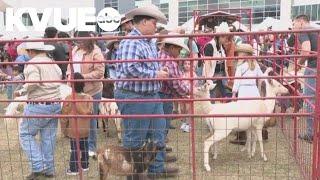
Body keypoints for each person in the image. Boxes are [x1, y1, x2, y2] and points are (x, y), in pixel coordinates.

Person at [115, 5, 178, 179]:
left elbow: (142, 66)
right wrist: (156, 73)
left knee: (158, 134)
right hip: (135, 96)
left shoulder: (147, 42)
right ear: (143, 22)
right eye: (153, 22)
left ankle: (156, 171)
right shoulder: (131, 42)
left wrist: (159, 69)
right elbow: (130, 68)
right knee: (135, 137)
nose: (156, 26)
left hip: (149, 95)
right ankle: (135, 174)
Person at [15, 41, 62, 179]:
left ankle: (38, 165)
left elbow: (34, 81)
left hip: (38, 104)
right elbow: (59, 75)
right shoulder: (52, 62)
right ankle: (49, 169)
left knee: (25, 134)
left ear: (31, 51)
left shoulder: (33, 63)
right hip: (54, 103)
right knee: (48, 137)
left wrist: (22, 91)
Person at [66, 31, 105, 157]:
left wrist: (81, 77)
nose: (79, 43)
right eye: (77, 40)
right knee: (76, 118)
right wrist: (69, 76)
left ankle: (91, 146)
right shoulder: (75, 50)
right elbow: (69, 65)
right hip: (76, 90)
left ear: (88, 40)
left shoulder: (96, 52)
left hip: (92, 91)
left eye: (81, 40)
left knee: (91, 119)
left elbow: (99, 72)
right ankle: (77, 145)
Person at [230, 44, 268, 145]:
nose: (238, 55)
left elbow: (237, 81)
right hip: (253, 90)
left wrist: (234, 93)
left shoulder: (240, 66)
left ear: (244, 54)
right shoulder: (255, 65)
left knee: (243, 114)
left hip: (243, 91)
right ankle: (262, 133)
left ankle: (243, 137)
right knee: (255, 113)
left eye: (239, 53)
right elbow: (261, 77)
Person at [61, 72, 93, 175]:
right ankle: (85, 165)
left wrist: (64, 130)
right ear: (83, 84)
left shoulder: (69, 98)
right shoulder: (89, 98)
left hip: (74, 129)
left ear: (71, 84)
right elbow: (91, 113)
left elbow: (64, 116)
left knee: (74, 149)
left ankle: (73, 168)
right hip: (85, 129)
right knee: (85, 147)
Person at [293, 15, 318, 143]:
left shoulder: (304, 31)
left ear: (301, 22)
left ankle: (310, 133)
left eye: (294, 24)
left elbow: (306, 50)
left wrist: (298, 63)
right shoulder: (316, 30)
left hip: (314, 68)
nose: (293, 27)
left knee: (309, 100)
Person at [158, 35, 191, 136]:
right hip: (165, 95)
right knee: (164, 122)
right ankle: (161, 145)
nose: (180, 52)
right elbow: (176, 84)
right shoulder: (171, 62)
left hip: (156, 93)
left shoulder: (158, 54)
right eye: (179, 49)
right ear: (172, 48)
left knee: (156, 122)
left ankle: (157, 144)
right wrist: (188, 91)